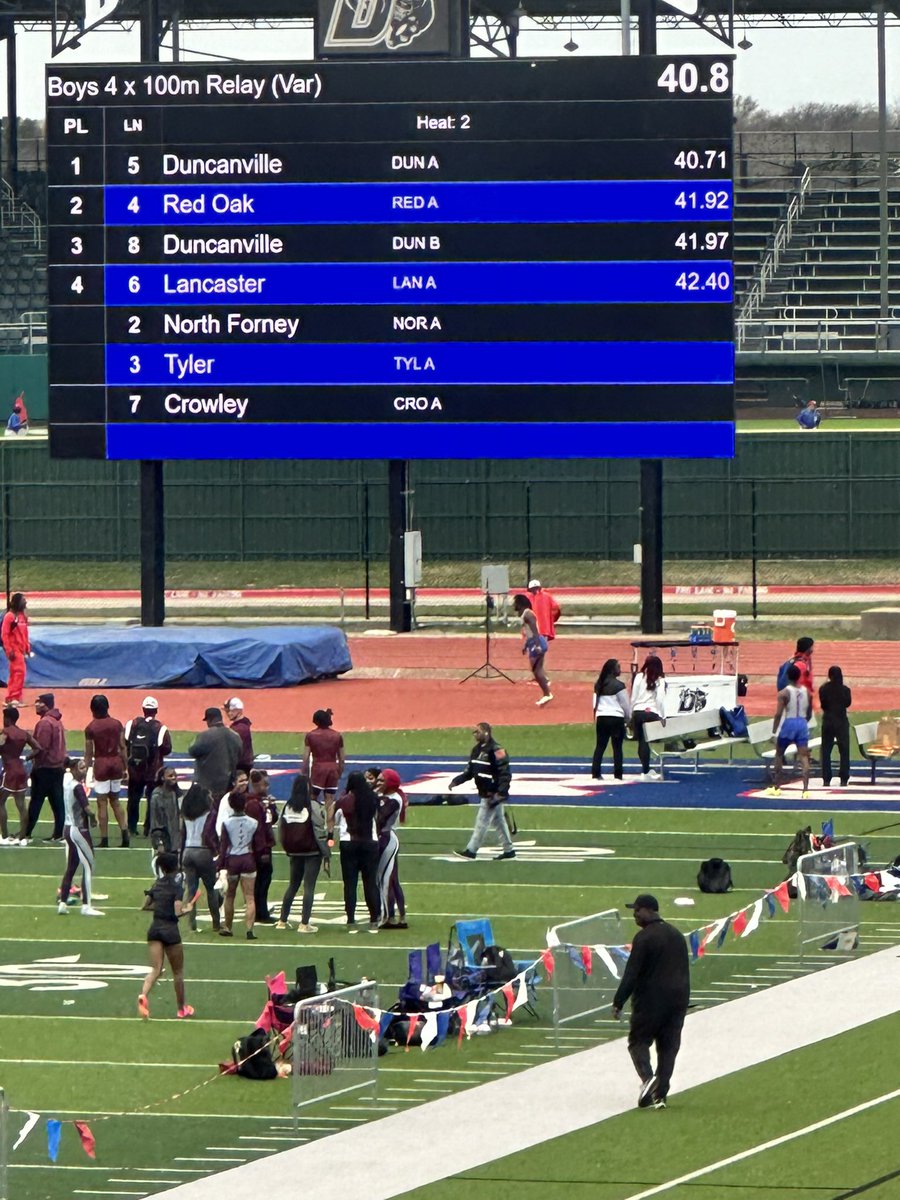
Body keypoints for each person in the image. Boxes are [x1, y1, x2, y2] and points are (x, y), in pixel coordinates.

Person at [611, 894, 690, 1110]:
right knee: (668, 1047)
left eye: (637, 910)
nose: (635, 915)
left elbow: (632, 973)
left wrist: (618, 1001)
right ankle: (660, 1095)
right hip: (678, 1000)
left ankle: (648, 1080)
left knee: (638, 1042)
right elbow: (684, 969)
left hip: (650, 1001)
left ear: (649, 910)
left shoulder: (644, 938)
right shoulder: (676, 935)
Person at [138, 850, 196, 1019]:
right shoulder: (177, 887)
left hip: (155, 929)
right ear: (175, 867)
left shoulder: (157, 884)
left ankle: (143, 995)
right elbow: (178, 912)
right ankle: (181, 1009)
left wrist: (160, 907)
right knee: (177, 972)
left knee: (155, 969)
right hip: (170, 930)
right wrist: (188, 910)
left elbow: (145, 906)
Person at [452, 722, 515, 861]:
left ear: (486, 732)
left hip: (492, 794)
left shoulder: (497, 750)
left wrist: (501, 792)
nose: (475, 734)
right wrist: (457, 780)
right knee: (499, 822)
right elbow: (470, 771)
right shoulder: (476, 750)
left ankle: (471, 850)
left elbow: (504, 773)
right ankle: (509, 850)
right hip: (485, 792)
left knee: (482, 822)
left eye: (477, 731)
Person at [328, 771, 380, 931]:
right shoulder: (373, 799)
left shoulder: (343, 801)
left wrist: (330, 841)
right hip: (370, 844)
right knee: (370, 882)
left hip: (349, 844)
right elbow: (378, 819)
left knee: (350, 884)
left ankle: (351, 919)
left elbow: (330, 819)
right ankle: (374, 918)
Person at [277, 774, 328, 933]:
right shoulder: (313, 806)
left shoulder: (287, 806)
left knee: (292, 885)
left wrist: (286, 847)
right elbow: (320, 830)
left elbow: (281, 829)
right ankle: (304, 923)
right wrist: (326, 853)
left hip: (294, 851)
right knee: (309, 887)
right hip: (311, 851)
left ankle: (282, 920)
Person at [57, 758, 104, 917]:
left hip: (67, 827)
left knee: (71, 866)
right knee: (88, 866)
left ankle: (62, 903)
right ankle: (86, 906)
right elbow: (87, 808)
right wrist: (93, 818)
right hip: (78, 829)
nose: (84, 770)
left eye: (85, 767)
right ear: (74, 770)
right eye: (81, 768)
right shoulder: (77, 787)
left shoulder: (67, 782)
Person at [218, 789, 266, 939]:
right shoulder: (253, 823)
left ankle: (227, 927)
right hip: (248, 859)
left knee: (230, 896)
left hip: (233, 860)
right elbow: (259, 845)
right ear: (244, 804)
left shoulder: (226, 823)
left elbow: (224, 846)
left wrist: (220, 865)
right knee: (250, 896)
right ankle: (249, 930)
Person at [83, 694, 129, 848]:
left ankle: (104, 838)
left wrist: (86, 770)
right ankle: (124, 833)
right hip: (116, 762)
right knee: (115, 801)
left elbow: (89, 753)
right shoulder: (117, 724)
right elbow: (122, 747)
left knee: (102, 802)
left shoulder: (91, 727)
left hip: (101, 763)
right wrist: (125, 767)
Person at [124, 697, 172, 838]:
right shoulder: (160, 728)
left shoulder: (131, 724)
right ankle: (148, 828)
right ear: (156, 711)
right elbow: (167, 748)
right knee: (152, 800)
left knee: (133, 799)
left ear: (143, 709)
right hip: (153, 771)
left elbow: (125, 743)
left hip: (134, 770)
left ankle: (132, 827)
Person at [766, 663, 813, 799]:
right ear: (799, 676)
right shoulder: (807, 692)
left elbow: (778, 714)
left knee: (779, 754)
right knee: (804, 756)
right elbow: (809, 713)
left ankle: (777, 787)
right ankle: (805, 790)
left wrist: (774, 732)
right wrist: (804, 722)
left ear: (787, 676)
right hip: (802, 723)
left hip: (789, 723)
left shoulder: (784, 693)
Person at [180, 783, 221, 933]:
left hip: (188, 851)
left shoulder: (185, 813)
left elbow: (182, 836)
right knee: (211, 889)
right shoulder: (210, 813)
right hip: (203, 851)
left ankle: (192, 925)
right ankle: (216, 923)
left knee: (191, 890)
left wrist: (180, 857)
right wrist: (215, 851)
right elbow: (208, 835)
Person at [25, 693, 66, 842]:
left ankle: (26, 832)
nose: (36, 705)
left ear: (45, 704)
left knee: (36, 801)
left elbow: (41, 748)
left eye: (39, 702)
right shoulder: (57, 722)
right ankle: (59, 833)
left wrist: (32, 762)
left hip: (45, 768)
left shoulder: (44, 723)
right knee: (58, 803)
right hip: (57, 768)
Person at [0, 704, 38, 843]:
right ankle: (22, 838)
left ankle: (4, 836)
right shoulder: (24, 733)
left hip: (9, 769)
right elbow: (38, 748)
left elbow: (1, 743)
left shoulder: (6, 731)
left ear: (8, 719)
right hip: (21, 769)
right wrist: (27, 758)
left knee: (0, 802)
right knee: (21, 805)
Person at [375, 767, 407, 929]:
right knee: (391, 880)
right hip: (383, 838)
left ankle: (387, 916)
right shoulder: (384, 797)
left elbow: (380, 819)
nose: (377, 783)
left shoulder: (394, 800)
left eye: (381, 780)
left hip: (387, 839)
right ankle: (397, 916)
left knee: (386, 880)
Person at [188, 707, 242, 803]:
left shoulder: (205, 736)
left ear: (210, 720)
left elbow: (192, 751)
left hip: (208, 785)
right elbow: (240, 754)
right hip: (229, 784)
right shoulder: (235, 736)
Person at [592, 658, 632, 781]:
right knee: (617, 747)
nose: (620, 669)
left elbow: (595, 703)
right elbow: (626, 705)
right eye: (618, 667)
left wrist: (596, 716)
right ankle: (618, 774)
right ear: (613, 670)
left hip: (602, 718)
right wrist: (629, 719)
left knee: (600, 746)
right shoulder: (619, 686)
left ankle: (595, 773)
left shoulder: (599, 684)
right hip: (616, 719)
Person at [247, 768, 277, 924]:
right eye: (264, 784)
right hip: (259, 847)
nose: (266, 788)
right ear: (256, 785)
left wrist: (271, 807)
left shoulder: (261, 801)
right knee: (261, 880)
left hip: (260, 845)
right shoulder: (253, 803)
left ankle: (260, 910)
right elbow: (260, 828)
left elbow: (272, 820)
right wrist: (263, 849)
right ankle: (261, 912)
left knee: (262, 880)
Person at [630, 655, 667, 781]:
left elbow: (633, 697)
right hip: (651, 713)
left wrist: (631, 714)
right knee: (647, 740)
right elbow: (660, 700)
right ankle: (646, 771)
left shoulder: (639, 677)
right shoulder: (660, 680)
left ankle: (645, 768)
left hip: (638, 712)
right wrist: (662, 715)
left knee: (642, 741)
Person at [512, 593, 552, 706]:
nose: (513, 605)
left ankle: (547, 693)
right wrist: (526, 645)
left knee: (536, 671)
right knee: (536, 671)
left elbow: (535, 631)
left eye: (515, 603)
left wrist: (537, 645)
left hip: (536, 643)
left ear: (520, 604)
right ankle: (546, 692)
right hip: (532, 643)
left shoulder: (528, 614)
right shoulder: (525, 614)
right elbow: (529, 631)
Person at [303, 708, 345, 806]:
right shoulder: (337, 736)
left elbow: (306, 758)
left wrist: (305, 774)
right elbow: (342, 758)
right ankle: (329, 821)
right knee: (329, 800)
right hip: (332, 768)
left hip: (318, 769)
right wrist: (339, 771)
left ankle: (313, 820)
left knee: (312, 798)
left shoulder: (311, 735)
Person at [819, 665, 852, 788]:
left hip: (828, 721)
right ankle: (844, 777)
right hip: (841, 722)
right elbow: (848, 703)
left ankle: (826, 778)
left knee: (826, 751)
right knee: (844, 751)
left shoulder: (823, 689)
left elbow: (823, 705)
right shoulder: (845, 690)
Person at [1, 592, 30, 705]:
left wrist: (27, 647)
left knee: (16, 674)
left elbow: (25, 633)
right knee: (19, 672)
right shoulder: (10, 616)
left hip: (21, 650)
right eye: (23, 600)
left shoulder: (22, 617)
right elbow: (4, 634)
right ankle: (14, 698)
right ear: (17, 602)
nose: (25, 602)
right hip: (14, 650)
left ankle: (12, 697)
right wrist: (9, 650)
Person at [148, 766, 182, 856]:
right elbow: (156, 822)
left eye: (175, 775)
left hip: (176, 842)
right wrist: (159, 843)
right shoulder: (157, 796)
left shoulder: (177, 794)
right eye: (170, 776)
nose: (174, 778)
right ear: (162, 778)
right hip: (164, 841)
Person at [224, 697, 255, 774]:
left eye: (230, 711)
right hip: (242, 764)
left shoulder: (240, 728)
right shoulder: (241, 724)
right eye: (227, 711)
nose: (228, 714)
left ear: (239, 711)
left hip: (240, 766)